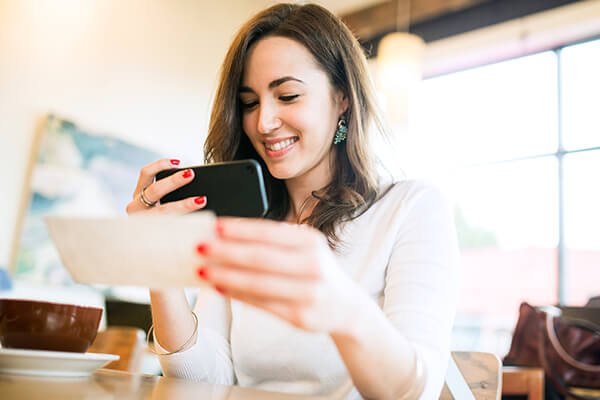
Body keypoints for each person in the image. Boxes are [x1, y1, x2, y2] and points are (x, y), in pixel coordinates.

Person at [126, 3, 458, 399]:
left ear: (342, 98)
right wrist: (158, 266)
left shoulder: (411, 208)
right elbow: (203, 380)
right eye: (249, 103)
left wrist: (340, 305)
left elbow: (415, 392)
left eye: (287, 95)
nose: (263, 122)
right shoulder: (242, 222)